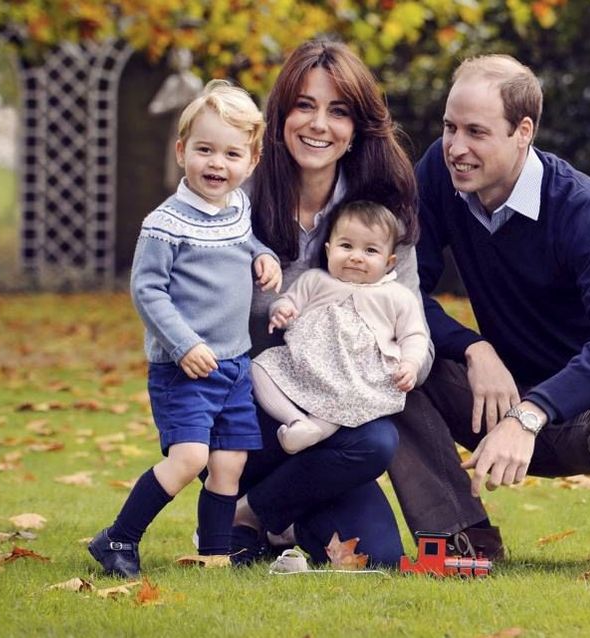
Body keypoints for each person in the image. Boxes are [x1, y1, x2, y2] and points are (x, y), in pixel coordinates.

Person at [389, 54, 590, 564]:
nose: (456, 148)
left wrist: (531, 413)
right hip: (497, 396)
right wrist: (473, 347)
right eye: (449, 127)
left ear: (523, 131)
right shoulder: (439, 171)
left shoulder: (581, 208)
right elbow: (399, 291)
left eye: (476, 132)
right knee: (387, 356)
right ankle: (463, 536)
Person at [224, 38, 433, 568]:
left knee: (378, 548)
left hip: (339, 420)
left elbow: (413, 323)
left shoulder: (381, 213)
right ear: (280, 114)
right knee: (350, 445)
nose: (319, 124)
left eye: (337, 111)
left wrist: (397, 365)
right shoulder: (238, 199)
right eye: (304, 106)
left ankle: (253, 514)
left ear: (356, 128)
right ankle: (262, 509)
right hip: (250, 410)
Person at [89, 80, 281, 577]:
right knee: (190, 456)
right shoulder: (164, 223)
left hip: (234, 363)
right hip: (185, 367)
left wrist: (263, 256)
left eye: (231, 153)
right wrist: (184, 344)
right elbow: (147, 290)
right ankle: (118, 539)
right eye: (205, 150)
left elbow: (246, 243)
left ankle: (214, 554)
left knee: (229, 465)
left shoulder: (237, 208)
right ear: (182, 152)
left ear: (252, 161)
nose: (217, 164)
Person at [252, 200, 429, 454]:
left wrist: (410, 364)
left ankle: (314, 430)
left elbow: (414, 335)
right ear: (328, 250)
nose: (356, 257)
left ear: (389, 262)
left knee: (345, 399)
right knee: (259, 369)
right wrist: (281, 311)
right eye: (346, 246)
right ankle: (297, 422)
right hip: (304, 364)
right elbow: (288, 302)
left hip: (356, 375)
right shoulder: (315, 280)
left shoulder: (397, 296)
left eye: (370, 251)